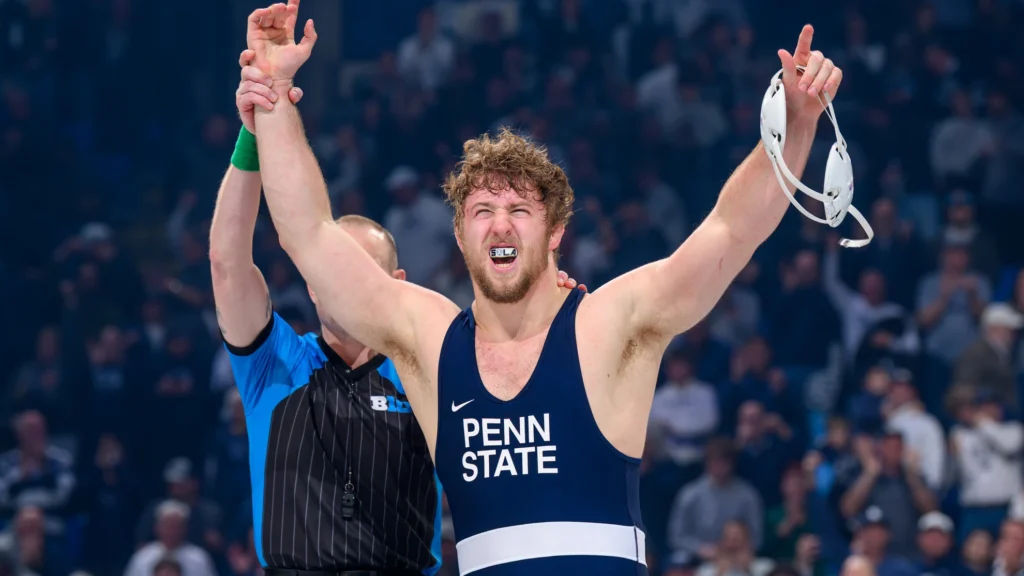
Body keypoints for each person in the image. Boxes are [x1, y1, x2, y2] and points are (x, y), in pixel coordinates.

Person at [247, 1, 843, 572]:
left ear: (556, 231)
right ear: (459, 235)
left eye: (519, 210)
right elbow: (310, 237)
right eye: (482, 211)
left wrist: (795, 128)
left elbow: (731, 230)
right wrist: (273, 91)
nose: (500, 224)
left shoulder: (610, 325)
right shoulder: (428, 341)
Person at [218, 54, 585, 575]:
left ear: (397, 286)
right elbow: (227, 262)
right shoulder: (272, 360)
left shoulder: (431, 366)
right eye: (332, 273)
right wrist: (253, 139)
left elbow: (513, 364)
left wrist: (545, 299)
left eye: (360, 274)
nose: (344, 287)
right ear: (312, 286)